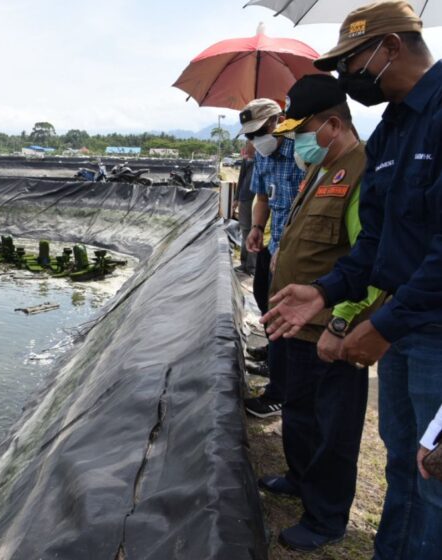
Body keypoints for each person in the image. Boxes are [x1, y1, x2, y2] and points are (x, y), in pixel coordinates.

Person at [263, 2, 442, 558]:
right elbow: (375, 242)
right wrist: (325, 289)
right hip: (406, 331)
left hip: (431, 332)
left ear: (389, 48)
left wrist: (377, 322)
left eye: (352, 61)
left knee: (434, 475)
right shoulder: (393, 130)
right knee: (399, 461)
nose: (346, 77)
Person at [258, 74, 384, 552]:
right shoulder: (322, 167)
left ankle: (326, 516)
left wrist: (340, 322)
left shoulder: (362, 171)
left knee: (334, 427)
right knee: (300, 412)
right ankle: (299, 477)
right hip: (296, 324)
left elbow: (370, 261)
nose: (298, 142)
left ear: (333, 124)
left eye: (303, 130)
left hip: (329, 330)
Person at [239, 98, 305, 418]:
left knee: (281, 316)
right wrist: (256, 228)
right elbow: (262, 197)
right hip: (271, 242)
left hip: (294, 249)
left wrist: (287, 248)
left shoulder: (302, 153)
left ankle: (279, 393)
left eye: (258, 132)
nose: (254, 140)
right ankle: (273, 358)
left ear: (277, 122)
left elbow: (307, 207)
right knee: (262, 298)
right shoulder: (263, 156)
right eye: (249, 134)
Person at [235, 141, 257, 275]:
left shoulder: (263, 157)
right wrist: (236, 198)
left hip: (257, 200)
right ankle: (244, 264)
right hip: (244, 199)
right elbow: (241, 178)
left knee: (254, 232)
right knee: (245, 232)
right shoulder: (246, 159)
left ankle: (252, 267)